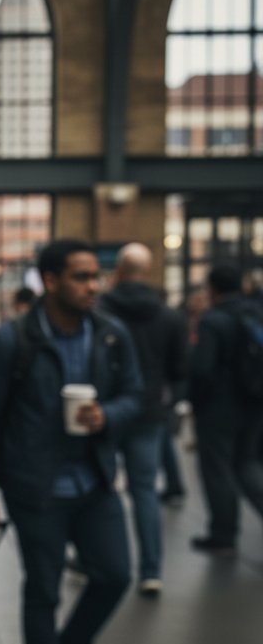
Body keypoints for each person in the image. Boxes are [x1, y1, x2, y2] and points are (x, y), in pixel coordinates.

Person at [0, 239, 142, 644]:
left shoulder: (109, 335)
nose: (94, 286)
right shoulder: (12, 341)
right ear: (49, 281)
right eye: (81, 277)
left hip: (95, 479)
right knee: (43, 589)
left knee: (114, 575)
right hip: (35, 487)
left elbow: (137, 395)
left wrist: (107, 414)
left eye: (96, 276)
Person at [99, 243, 187, 596]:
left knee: (100, 488)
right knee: (145, 491)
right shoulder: (169, 316)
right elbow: (181, 370)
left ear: (119, 271)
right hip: (149, 412)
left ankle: (100, 560)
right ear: (147, 272)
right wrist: (168, 405)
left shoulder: (100, 312)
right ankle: (150, 570)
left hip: (106, 413)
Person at [187, 262, 263, 555]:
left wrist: (197, 402)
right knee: (247, 465)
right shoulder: (254, 312)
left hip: (220, 408)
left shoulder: (214, 320)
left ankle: (224, 534)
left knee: (218, 469)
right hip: (255, 402)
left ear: (212, 289)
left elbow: (202, 369)